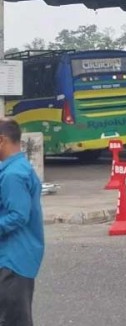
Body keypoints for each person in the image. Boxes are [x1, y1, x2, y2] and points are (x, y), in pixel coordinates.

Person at [0, 118, 44, 326]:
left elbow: (18, 215)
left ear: (1, 141)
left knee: (14, 320)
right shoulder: (19, 167)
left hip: (13, 261)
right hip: (19, 257)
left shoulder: (12, 175)